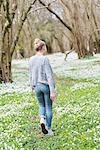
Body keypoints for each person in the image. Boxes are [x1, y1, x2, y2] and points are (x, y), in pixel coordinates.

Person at [29, 38, 56, 135]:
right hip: (45, 86)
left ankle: (42, 120)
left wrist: (32, 86)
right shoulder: (45, 59)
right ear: (42, 47)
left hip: (37, 87)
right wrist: (52, 90)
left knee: (41, 105)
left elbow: (31, 74)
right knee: (48, 106)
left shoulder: (31, 59)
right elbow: (49, 76)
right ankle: (48, 129)